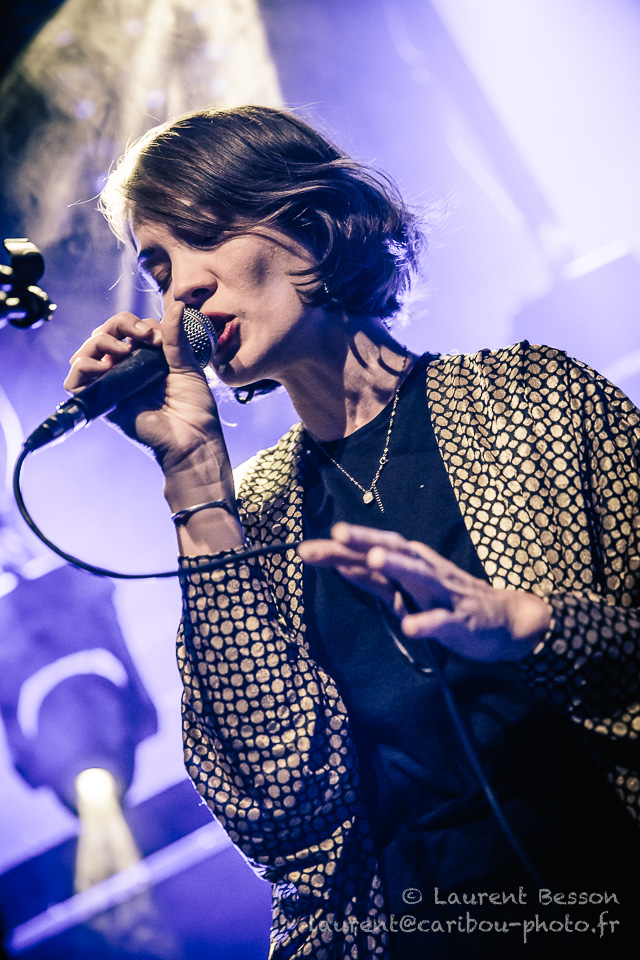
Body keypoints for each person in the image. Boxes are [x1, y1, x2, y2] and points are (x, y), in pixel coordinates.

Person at [65, 105, 640, 959]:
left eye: (206, 235)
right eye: (159, 266)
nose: (181, 287)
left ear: (312, 222)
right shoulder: (250, 514)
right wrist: (194, 477)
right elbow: (275, 813)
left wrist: (524, 623)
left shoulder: (533, 400)